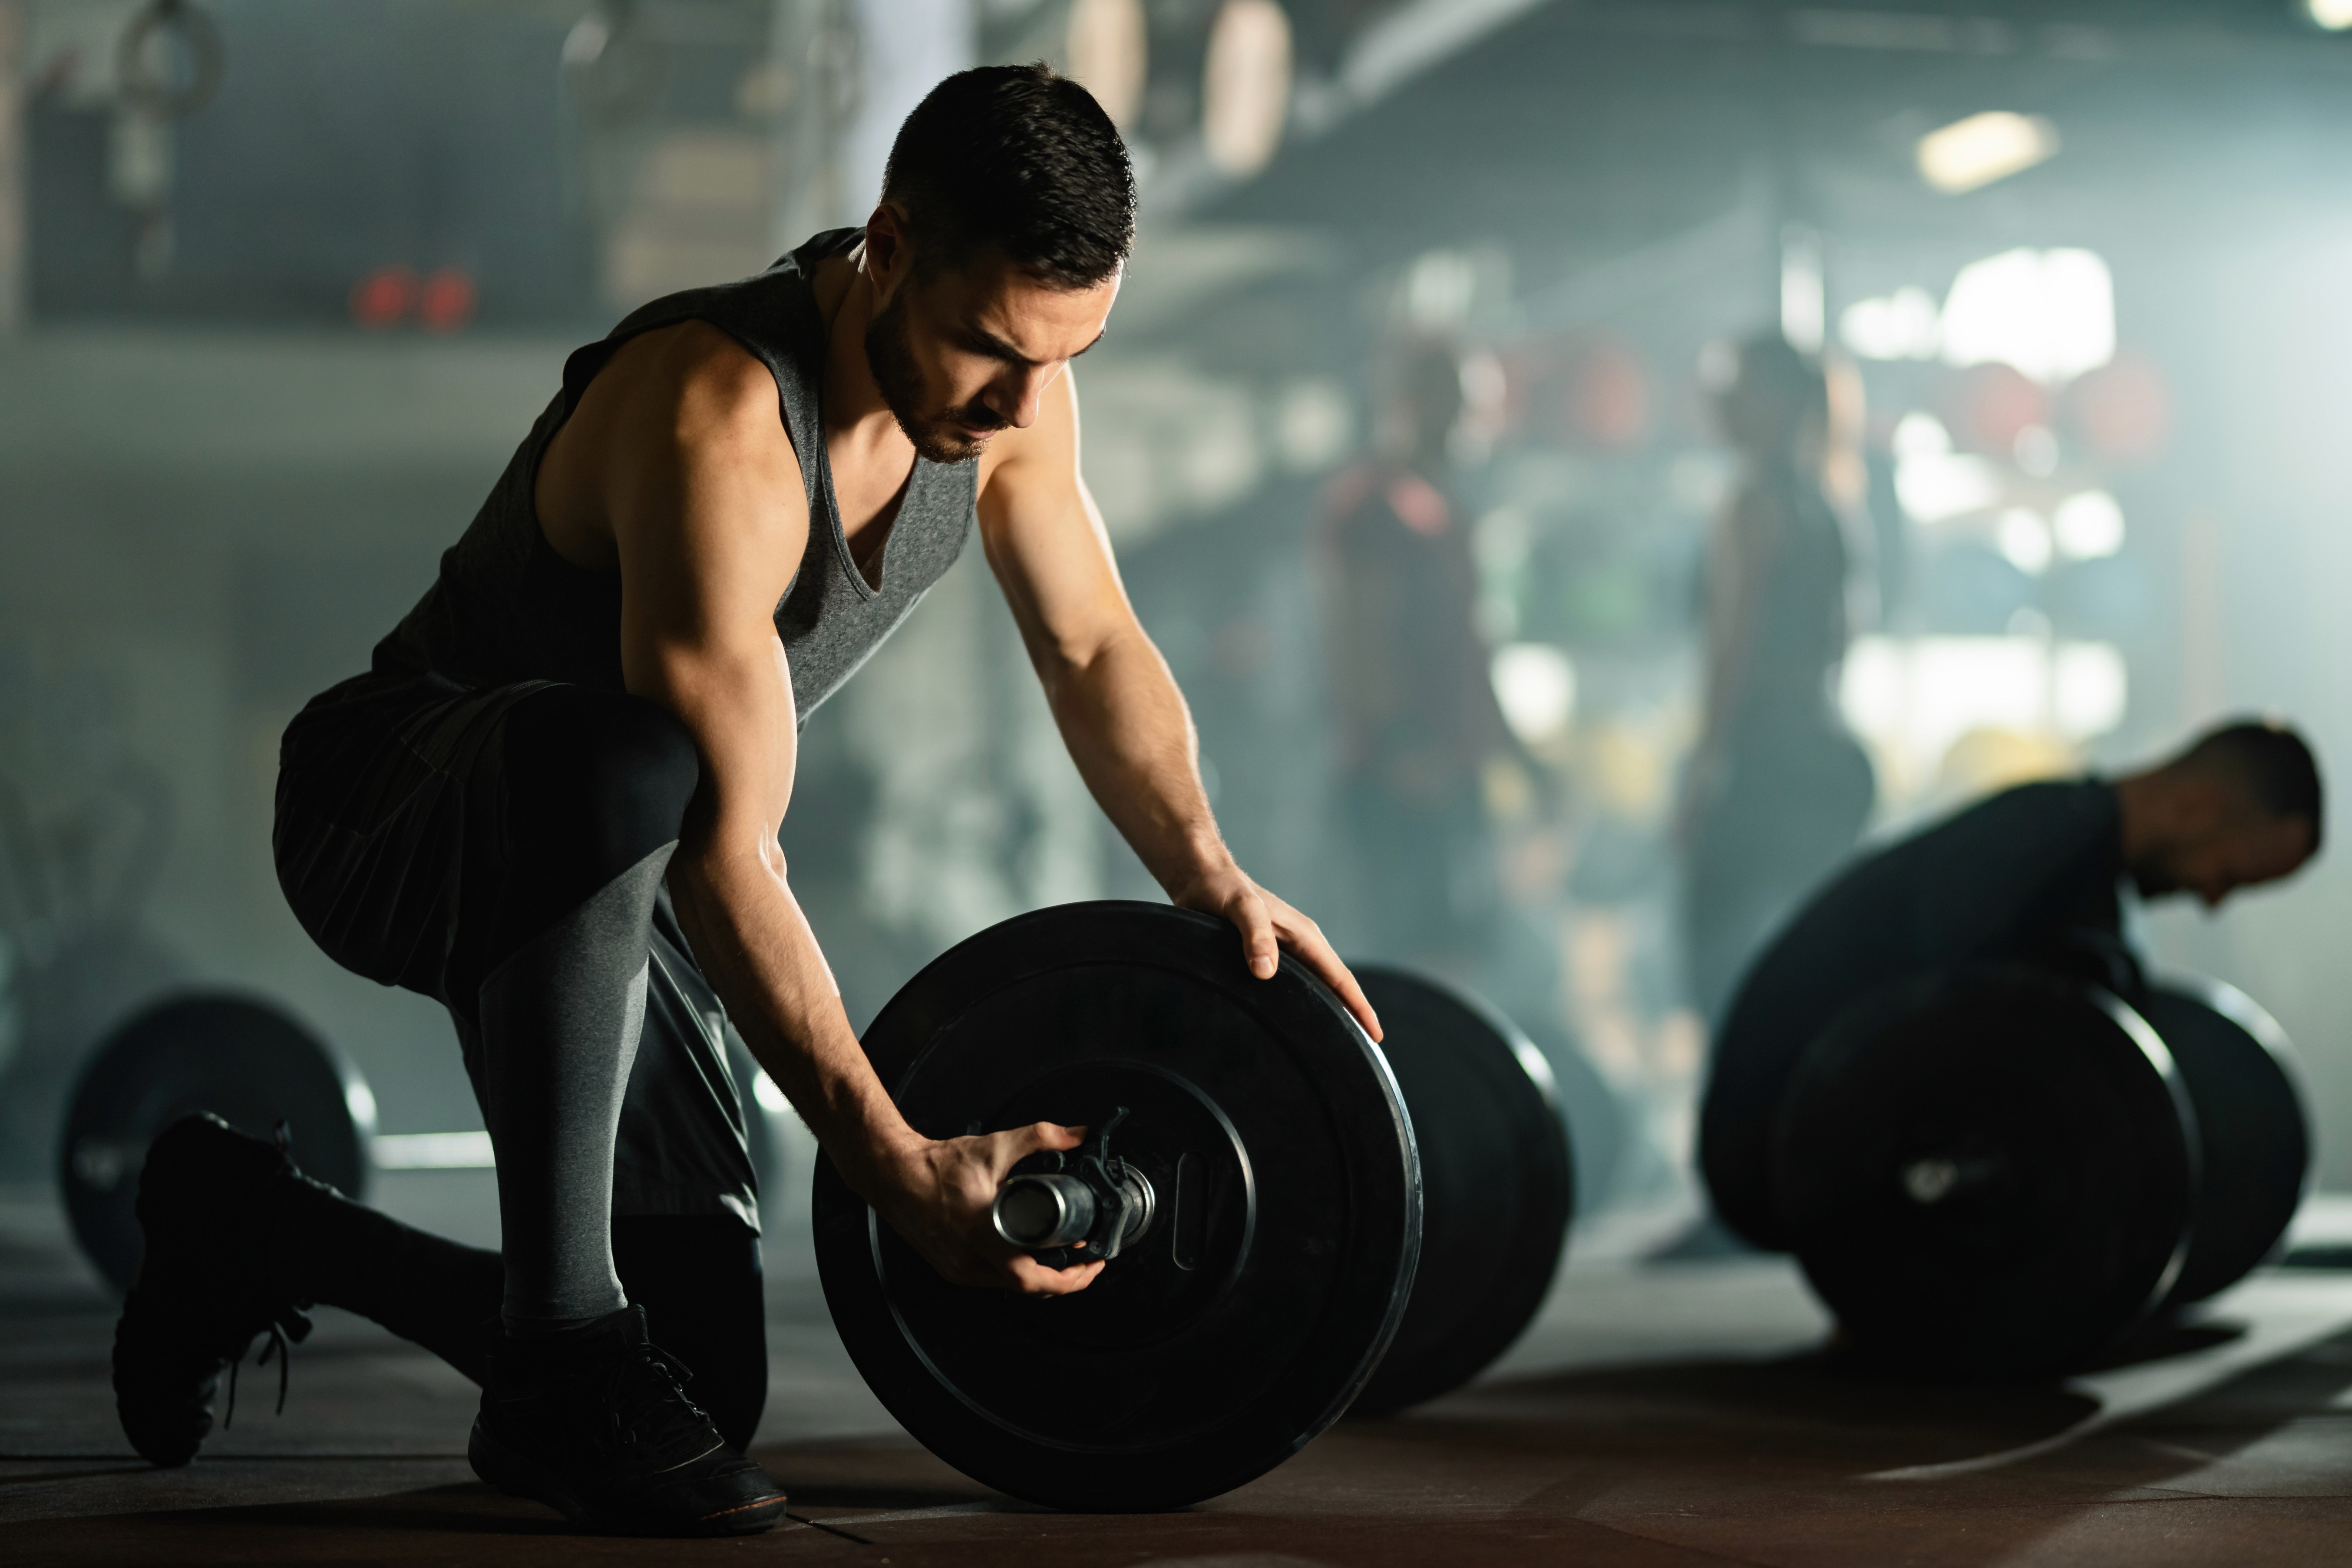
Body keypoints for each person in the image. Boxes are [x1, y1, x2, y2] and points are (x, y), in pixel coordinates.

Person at [109, 65, 1378, 1539]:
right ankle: (561, 1355)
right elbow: (723, 848)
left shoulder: (1017, 388)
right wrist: (898, 1165)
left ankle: (253, 1229)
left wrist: (1207, 873)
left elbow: (1089, 642)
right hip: (390, 803)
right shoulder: (716, 414)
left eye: (1062, 356)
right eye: (987, 349)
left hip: (620, 867)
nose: (1025, 403)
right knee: (636, 770)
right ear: (887, 249)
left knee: (698, 1376)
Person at [1700, 718, 2323, 1250]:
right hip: (1765, 1149)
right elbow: (1957, 1032)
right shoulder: (2033, 846)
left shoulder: (2077, 862)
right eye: (2228, 873)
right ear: (2197, 809)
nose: (2213, 899)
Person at [1678, 334, 1875, 1025]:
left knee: (1722, 986)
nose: (1721, 406)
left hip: (1761, 768)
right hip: (1824, 761)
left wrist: (1704, 773)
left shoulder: (1752, 506)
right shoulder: (1830, 501)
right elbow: (1840, 645)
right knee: (1808, 978)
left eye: (1738, 391)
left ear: (1779, 403)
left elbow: (1732, 651)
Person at [1317, 336, 1516, 967]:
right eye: (1447, 402)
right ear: (1410, 405)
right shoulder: (1375, 508)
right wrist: (1400, 745)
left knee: (1463, 954)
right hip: (1398, 774)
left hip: (1451, 769)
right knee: (1406, 963)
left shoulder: (1449, 511)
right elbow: (1358, 635)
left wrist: (1514, 754)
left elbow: (1471, 647)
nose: (1460, 423)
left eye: (1468, 406)